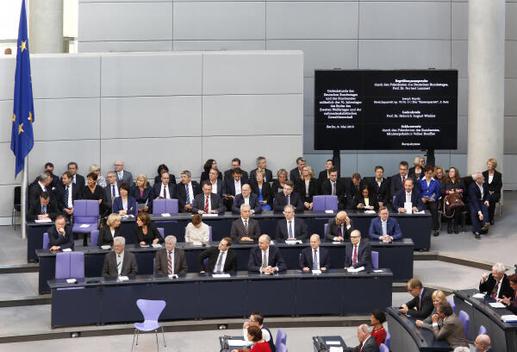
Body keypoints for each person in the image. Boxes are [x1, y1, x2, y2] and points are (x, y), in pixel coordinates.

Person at [418, 166, 442, 236]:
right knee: (421, 209)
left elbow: (438, 193)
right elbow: (418, 192)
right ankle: (422, 228)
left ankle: (435, 229)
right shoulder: (420, 181)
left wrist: (433, 198)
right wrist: (422, 197)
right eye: (428, 173)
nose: (429, 175)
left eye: (431, 173)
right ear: (425, 173)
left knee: (434, 209)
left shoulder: (436, 182)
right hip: (423, 200)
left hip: (432, 200)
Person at [443, 166, 465, 234]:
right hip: (448, 199)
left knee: (457, 206)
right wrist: (448, 192)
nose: (450, 173)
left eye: (452, 171)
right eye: (449, 171)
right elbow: (442, 191)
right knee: (449, 207)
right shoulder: (445, 180)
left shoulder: (460, 180)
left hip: (457, 199)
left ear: (456, 173)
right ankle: (449, 225)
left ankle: (456, 225)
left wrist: (459, 190)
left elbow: (464, 190)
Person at [469, 172, 490, 239]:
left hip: (482, 201)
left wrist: (487, 200)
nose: (484, 178)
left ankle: (485, 224)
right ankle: (476, 231)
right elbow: (474, 200)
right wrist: (479, 212)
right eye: (481, 178)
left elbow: (487, 194)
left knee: (485, 208)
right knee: (474, 212)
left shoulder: (484, 184)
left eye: (483, 177)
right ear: (477, 180)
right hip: (473, 202)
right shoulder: (472, 187)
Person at [482, 158, 502, 225]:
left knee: (492, 199)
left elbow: (499, 185)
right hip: (486, 192)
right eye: (487, 164)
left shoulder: (498, 174)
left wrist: (493, 191)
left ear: (493, 165)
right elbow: (483, 184)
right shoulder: (484, 173)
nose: (488, 166)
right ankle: (488, 218)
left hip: (495, 193)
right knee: (487, 198)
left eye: (489, 164)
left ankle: (491, 218)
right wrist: (488, 191)